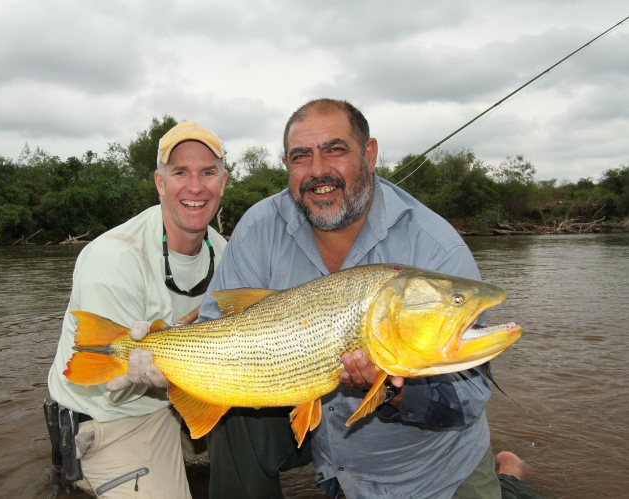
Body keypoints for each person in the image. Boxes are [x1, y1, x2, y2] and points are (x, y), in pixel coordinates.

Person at [197, 98, 501, 499]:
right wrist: (155, 354)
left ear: (369, 155)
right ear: (286, 164)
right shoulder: (259, 226)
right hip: (323, 443)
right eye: (301, 156)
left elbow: (469, 397)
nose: (318, 171)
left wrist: (393, 388)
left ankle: (505, 470)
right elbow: (211, 327)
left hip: (431, 473)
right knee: (231, 415)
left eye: (335, 150)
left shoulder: (435, 247)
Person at [46, 120, 228, 498]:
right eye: (180, 172)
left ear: (222, 183)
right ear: (160, 183)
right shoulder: (113, 258)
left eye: (207, 172)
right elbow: (106, 384)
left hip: (184, 393)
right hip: (112, 416)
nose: (195, 187)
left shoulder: (226, 252)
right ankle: (77, 469)